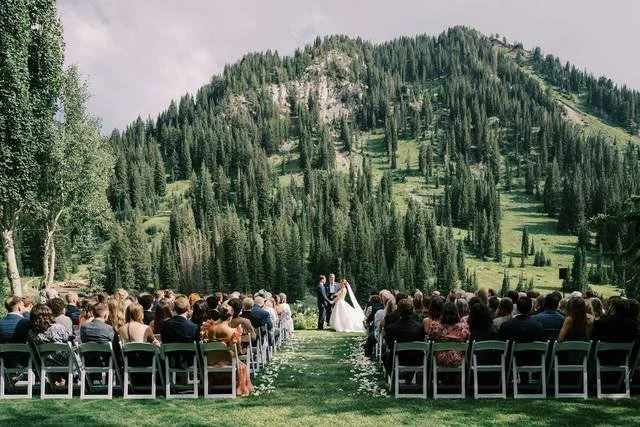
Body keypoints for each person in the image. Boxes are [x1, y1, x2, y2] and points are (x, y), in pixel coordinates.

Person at [200, 305, 253, 396]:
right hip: (228, 362)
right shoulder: (233, 332)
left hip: (210, 361)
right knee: (242, 365)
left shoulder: (208, 329)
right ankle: (238, 387)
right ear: (230, 317)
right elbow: (238, 351)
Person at [383, 299, 425, 373]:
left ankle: (394, 377)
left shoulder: (391, 328)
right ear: (412, 310)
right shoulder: (420, 327)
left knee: (385, 355)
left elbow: (390, 345)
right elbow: (421, 341)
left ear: (398, 310)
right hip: (417, 359)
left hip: (399, 359)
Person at [429, 302, 470, 367]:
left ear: (443, 313)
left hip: (440, 359)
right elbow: (467, 338)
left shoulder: (436, 327)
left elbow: (430, 338)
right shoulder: (463, 328)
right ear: (456, 313)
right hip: (457, 359)